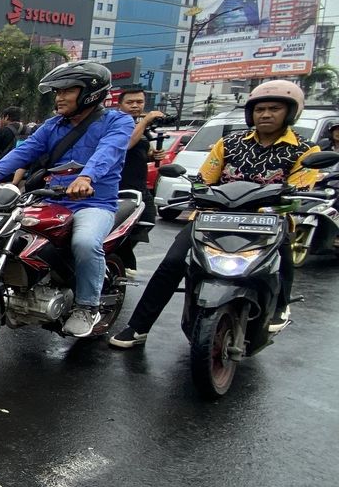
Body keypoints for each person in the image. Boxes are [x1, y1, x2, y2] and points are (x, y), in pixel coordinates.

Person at [110, 80, 319, 348]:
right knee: (172, 263)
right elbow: (204, 178)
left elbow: (300, 190)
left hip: (266, 221)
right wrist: (199, 195)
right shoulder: (229, 143)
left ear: (290, 112)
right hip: (216, 216)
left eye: (274, 108)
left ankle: (280, 306)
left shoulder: (305, 149)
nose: (266, 114)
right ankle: (138, 327)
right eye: (260, 109)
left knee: (282, 256)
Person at [0, 61, 133, 337]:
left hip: (93, 203)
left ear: (90, 92)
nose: (59, 97)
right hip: (52, 200)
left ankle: (87, 307)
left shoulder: (118, 121)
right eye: (57, 91)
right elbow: (26, 151)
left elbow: (108, 152)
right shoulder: (53, 125)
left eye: (67, 90)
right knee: (10, 234)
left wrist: (87, 178)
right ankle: (23, 294)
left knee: (84, 243)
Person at [115, 86, 165, 273]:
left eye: (139, 102)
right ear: (120, 105)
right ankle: (122, 258)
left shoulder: (140, 126)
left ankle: (121, 254)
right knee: (123, 226)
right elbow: (125, 145)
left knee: (148, 221)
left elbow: (139, 151)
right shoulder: (118, 123)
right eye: (130, 102)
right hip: (122, 187)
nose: (135, 106)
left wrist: (153, 155)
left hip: (140, 186)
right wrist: (145, 121)